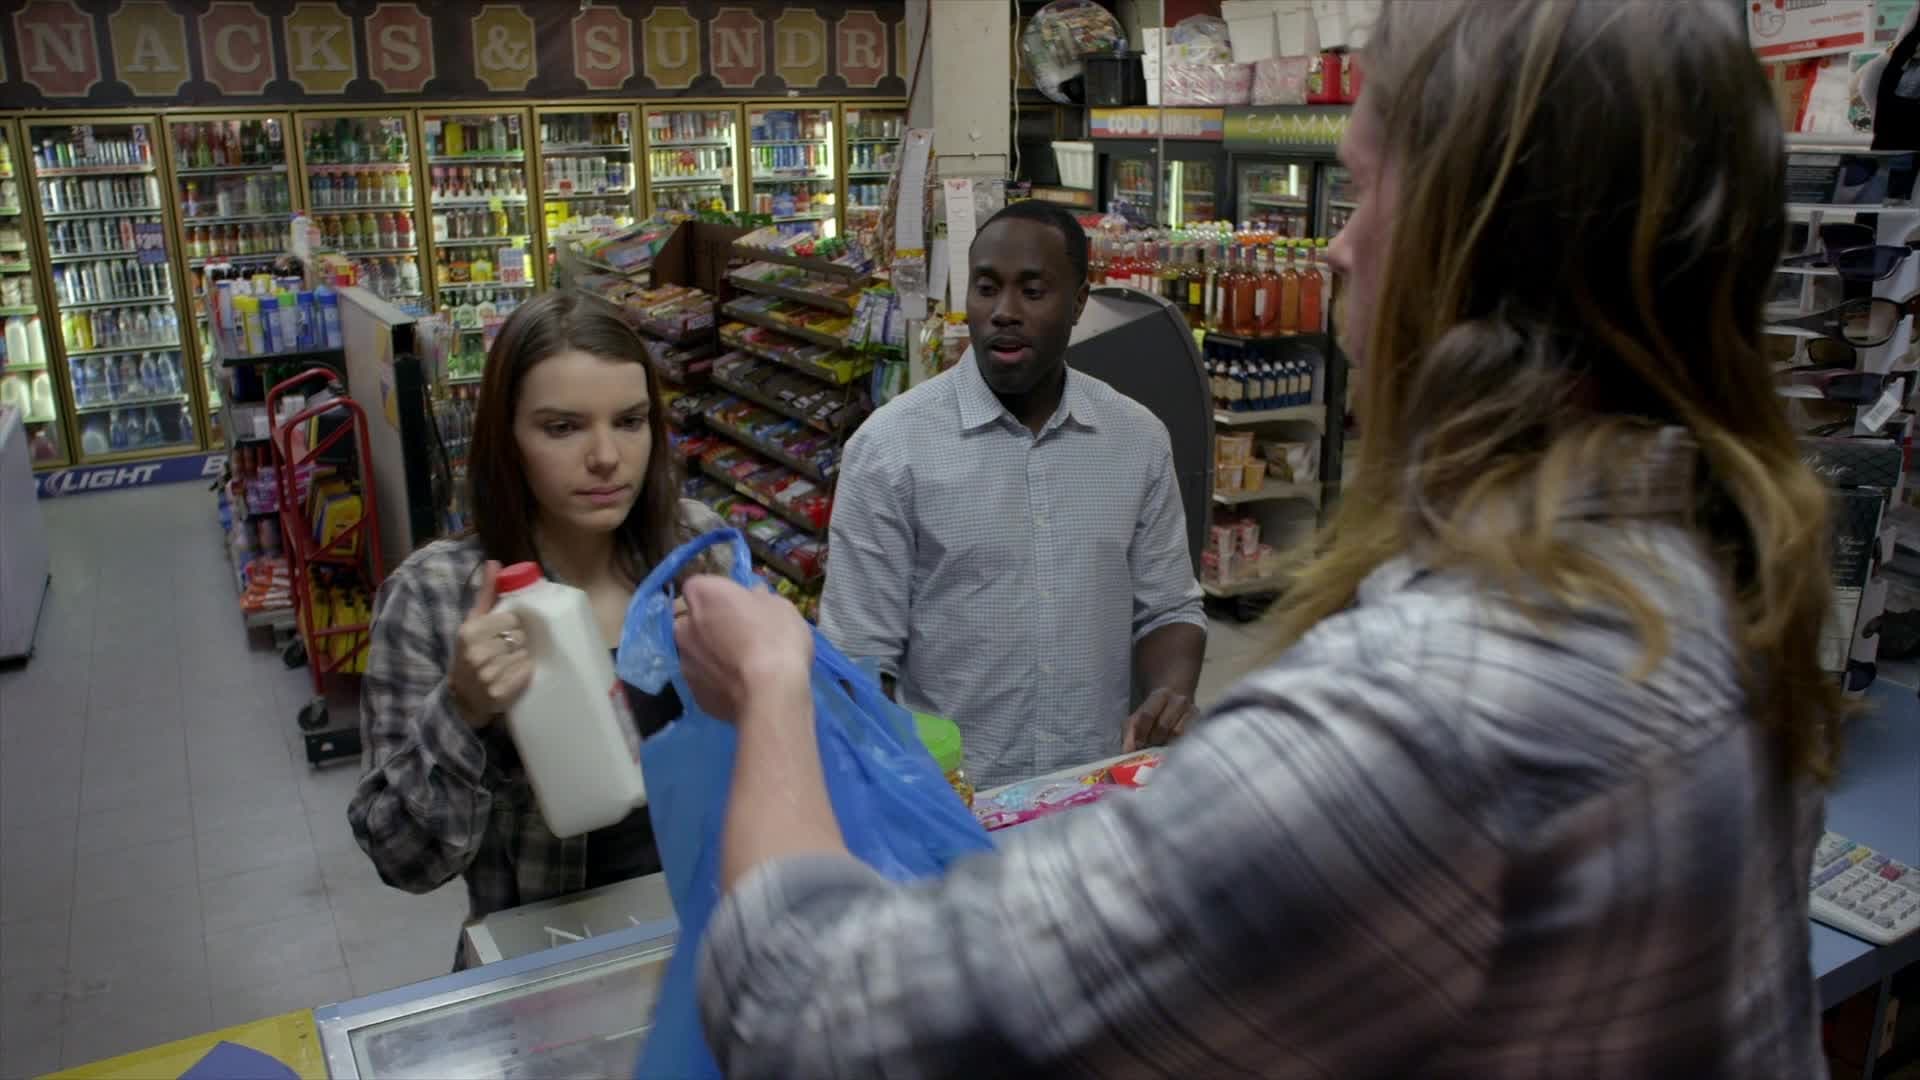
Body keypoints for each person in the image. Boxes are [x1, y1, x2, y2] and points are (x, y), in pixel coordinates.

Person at [673, 1, 1843, 1075]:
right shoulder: (1710, 580)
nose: (1335, 247)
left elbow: (811, 1013)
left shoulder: (1436, 707)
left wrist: (774, 682)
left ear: (1480, 242)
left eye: (1366, 190)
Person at [347, 291, 723, 967]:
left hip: (710, 938)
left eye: (630, 421)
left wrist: (753, 683)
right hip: (547, 966)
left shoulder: (697, 550)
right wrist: (463, 710)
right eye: (562, 427)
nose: (606, 456)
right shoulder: (433, 597)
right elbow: (401, 858)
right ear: (507, 440)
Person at [820, 199, 1207, 789]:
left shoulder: (1137, 440)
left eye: (1033, 291)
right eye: (986, 288)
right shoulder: (888, 450)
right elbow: (859, 659)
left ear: (1079, 303)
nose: (1003, 312)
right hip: (953, 802)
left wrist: (1169, 696)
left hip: (1093, 791)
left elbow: (1170, 608)